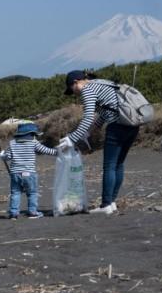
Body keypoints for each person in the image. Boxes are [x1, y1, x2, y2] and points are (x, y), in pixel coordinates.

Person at [59, 70, 138, 216]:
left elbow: (88, 117)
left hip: (117, 127)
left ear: (76, 82)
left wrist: (72, 138)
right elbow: (106, 111)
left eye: (72, 89)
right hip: (132, 124)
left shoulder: (87, 90)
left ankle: (106, 205)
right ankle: (112, 202)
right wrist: (88, 132)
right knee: (118, 164)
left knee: (110, 166)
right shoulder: (102, 83)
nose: (74, 93)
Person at [0, 122, 56, 219]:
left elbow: (7, 157)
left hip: (15, 173)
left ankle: (13, 213)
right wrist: (59, 152)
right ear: (31, 134)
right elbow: (47, 150)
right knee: (32, 193)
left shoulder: (12, 143)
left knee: (15, 192)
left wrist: (2, 154)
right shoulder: (34, 142)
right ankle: (32, 212)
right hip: (29, 173)